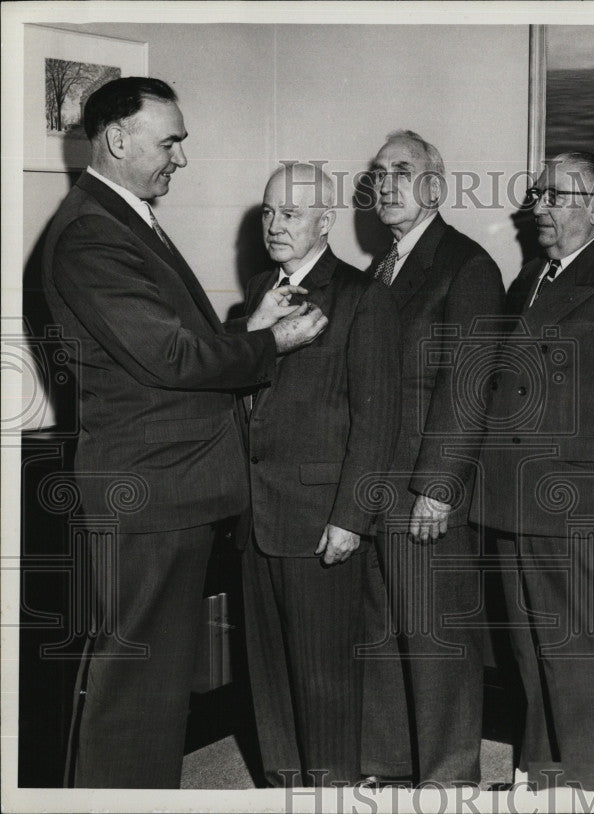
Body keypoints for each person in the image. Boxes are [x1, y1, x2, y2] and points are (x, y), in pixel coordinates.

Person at [41, 77, 326, 788]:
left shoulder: (121, 219)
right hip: (150, 495)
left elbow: (166, 345)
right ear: (117, 139)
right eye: (170, 143)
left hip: (167, 490)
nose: (181, 159)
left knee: (152, 687)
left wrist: (246, 330)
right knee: (134, 695)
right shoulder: (90, 235)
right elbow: (171, 359)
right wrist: (275, 343)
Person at [473, 151, 594, 767]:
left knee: (580, 663)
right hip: (510, 499)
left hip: (576, 507)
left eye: (557, 197)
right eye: (539, 195)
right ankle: (539, 778)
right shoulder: (530, 277)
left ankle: (588, 788)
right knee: (530, 659)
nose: (540, 208)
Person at [238, 163, 401, 787]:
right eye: (269, 211)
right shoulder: (257, 292)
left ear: (324, 222)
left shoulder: (363, 297)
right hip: (256, 514)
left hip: (321, 520)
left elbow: (377, 419)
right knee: (270, 679)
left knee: (325, 683)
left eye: (293, 213)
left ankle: (331, 796)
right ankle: (282, 794)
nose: (276, 225)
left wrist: (351, 518)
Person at [361, 130, 505, 785]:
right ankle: (390, 769)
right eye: (379, 173)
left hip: (425, 490)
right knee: (384, 634)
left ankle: (449, 781)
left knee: (437, 639)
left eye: (402, 171)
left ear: (435, 188)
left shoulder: (467, 265)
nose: (386, 184)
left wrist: (439, 487)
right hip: (373, 491)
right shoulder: (378, 269)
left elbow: (468, 386)